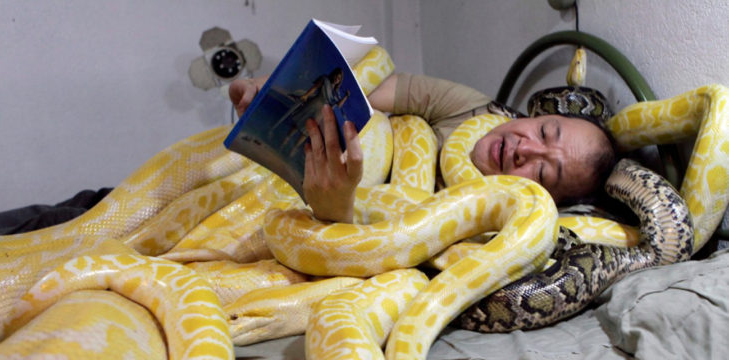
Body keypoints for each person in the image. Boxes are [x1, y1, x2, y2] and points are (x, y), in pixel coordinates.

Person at [229, 72, 618, 223]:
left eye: (543, 173)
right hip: (282, 171)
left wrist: (337, 210)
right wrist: (271, 95)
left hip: (325, 215)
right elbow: (360, 97)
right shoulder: (473, 107)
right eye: (545, 132)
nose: (526, 150)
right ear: (537, 114)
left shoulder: (493, 228)